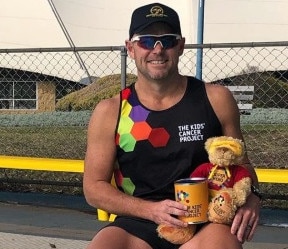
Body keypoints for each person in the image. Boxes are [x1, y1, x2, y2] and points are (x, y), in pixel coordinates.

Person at [83, 2, 261, 249]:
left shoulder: (215, 99)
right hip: (140, 219)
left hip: (204, 220)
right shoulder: (110, 110)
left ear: (181, 46)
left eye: (166, 40)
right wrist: (151, 210)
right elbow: (94, 188)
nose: (157, 50)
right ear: (130, 48)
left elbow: (242, 165)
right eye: (146, 41)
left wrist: (254, 197)